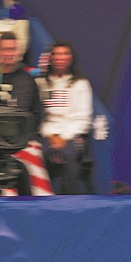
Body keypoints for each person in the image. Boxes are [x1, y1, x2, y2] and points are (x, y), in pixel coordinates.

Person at [35, 41, 93, 194]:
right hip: (46, 135)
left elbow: (83, 119)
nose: (60, 58)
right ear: (50, 58)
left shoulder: (81, 84)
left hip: (71, 135)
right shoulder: (40, 83)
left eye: (65, 54)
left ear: (71, 58)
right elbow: (39, 116)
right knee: (39, 155)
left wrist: (64, 137)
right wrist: (50, 135)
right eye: (57, 54)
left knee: (68, 156)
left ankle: (68, 202)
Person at [0, 32, 42, 134]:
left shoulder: (26, 80)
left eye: (13, 49)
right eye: (5, 49)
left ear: (19, 52)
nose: (9, 54)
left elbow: (33, 113)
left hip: (21, 134)